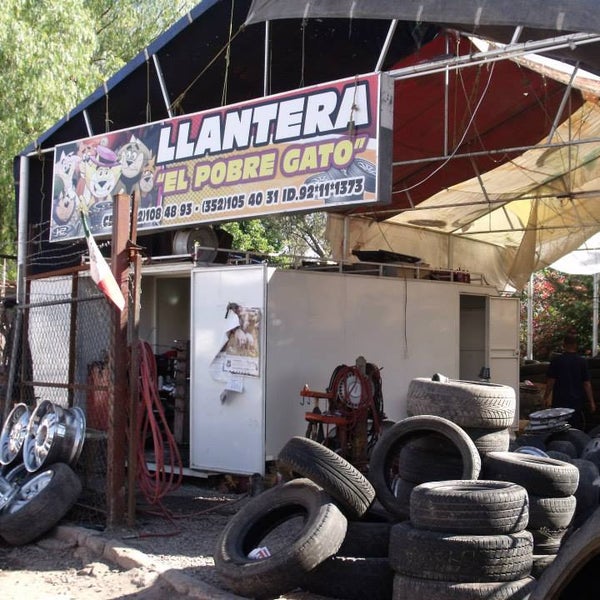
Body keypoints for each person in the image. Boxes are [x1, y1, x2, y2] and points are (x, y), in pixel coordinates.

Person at [543, 333, 596, 429]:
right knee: (574, 428)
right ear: (576, 345)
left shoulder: (556, 361)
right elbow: (586, 384)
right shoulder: (582, 362)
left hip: (559, 401)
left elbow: (551, 381)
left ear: (564, 345)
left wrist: (545, 397)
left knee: (558, 427)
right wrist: (592, 402)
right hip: (576, 402)